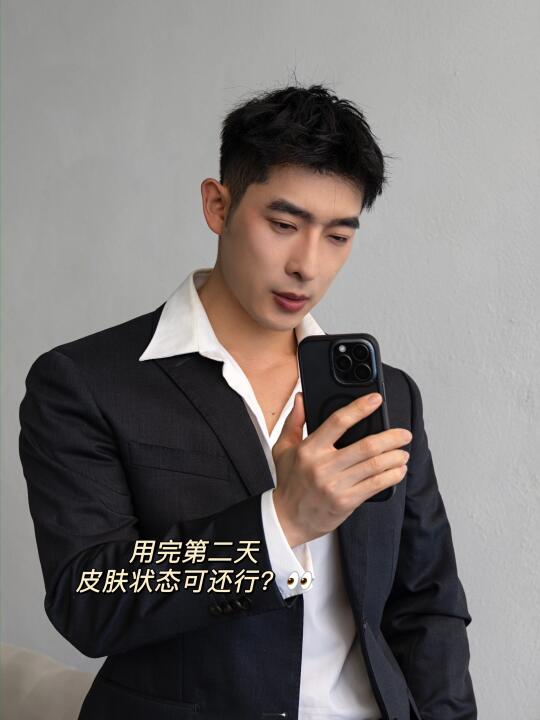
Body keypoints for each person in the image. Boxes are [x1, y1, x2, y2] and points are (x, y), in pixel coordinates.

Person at [19, 83, 476, 720]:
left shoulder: (386, 395)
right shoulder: (86, 382)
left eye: (338, 236)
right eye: (283, 225)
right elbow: (89, 597)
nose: (307, 265)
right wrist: (279, 523)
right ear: (218, 205)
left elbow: (427, 605)